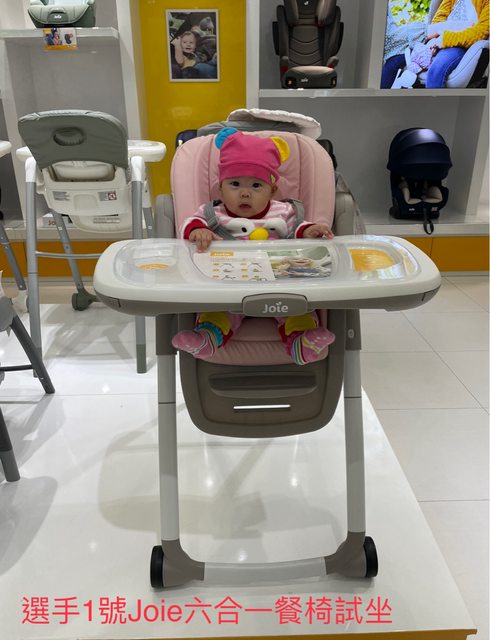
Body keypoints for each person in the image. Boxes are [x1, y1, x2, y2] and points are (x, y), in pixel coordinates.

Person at [171, 128, 336, 366]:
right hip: (226, 288)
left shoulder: (283, 211)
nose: (245, 193)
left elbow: (297, 229)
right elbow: (188, 224)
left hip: (278, 286)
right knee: (215, 314)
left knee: (297, 309)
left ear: (273, 191)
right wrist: (198, 231)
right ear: (220, 189)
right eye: (235, 184)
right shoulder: (213, 213)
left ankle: (303, 344)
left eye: (256, 185)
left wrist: (311, 231)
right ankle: (206, 340)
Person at [381, 0, 488, 88]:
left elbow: (481, 32)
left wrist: (444, 40)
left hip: (460, 45)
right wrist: (435, 39)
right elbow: (439, 17)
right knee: (395, 60)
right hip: (439, 39)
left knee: (436, 71)